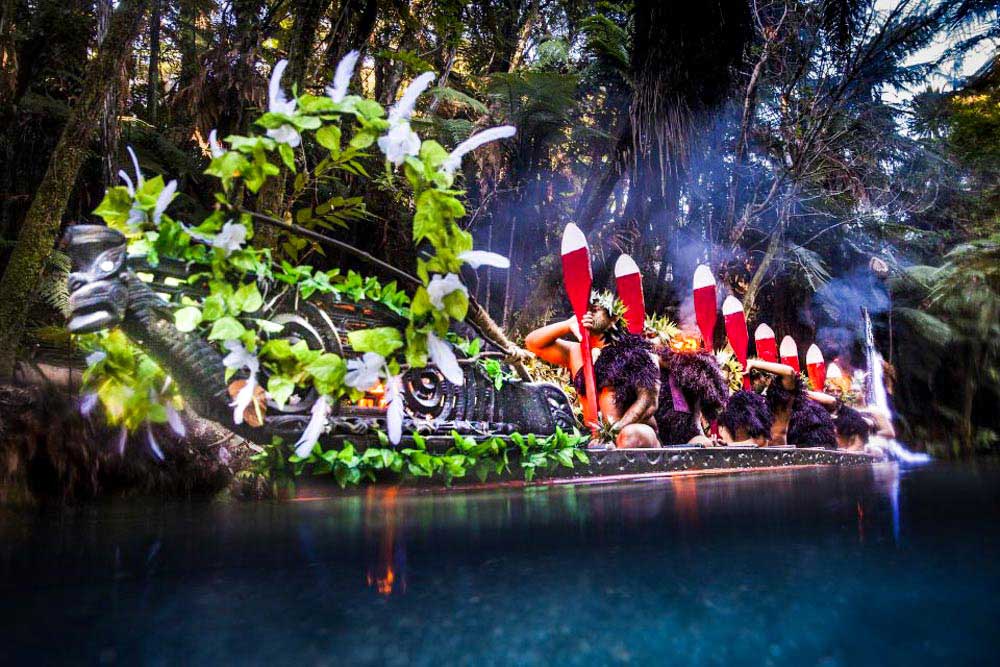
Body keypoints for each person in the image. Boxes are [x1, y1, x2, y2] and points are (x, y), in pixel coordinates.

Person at [525, 291, 660, 448]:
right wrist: (567, 324)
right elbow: (532, 343)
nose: (587, 314)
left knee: (630, 435)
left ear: (614, 317)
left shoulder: (636, 351)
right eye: (584, 310)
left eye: (594, 310)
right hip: (596, 439)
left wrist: (614, 433)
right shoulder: (575, 352)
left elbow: (648, 403)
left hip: (635, 433)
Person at [747, 357, 837, 448]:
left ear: (767, 379)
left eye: (756, 377)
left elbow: (789, 372)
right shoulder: (749, 402)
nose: (754, 382)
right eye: (751, 378)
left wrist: (752, 363)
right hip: (762, 453)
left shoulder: (782, 398)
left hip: (785, 452)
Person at [654, 340, 729, 445]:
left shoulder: (694, 386)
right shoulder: (657, 373)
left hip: (685, 441)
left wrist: (707, 441)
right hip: (656, 437)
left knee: (704, 443)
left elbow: (696, 421)